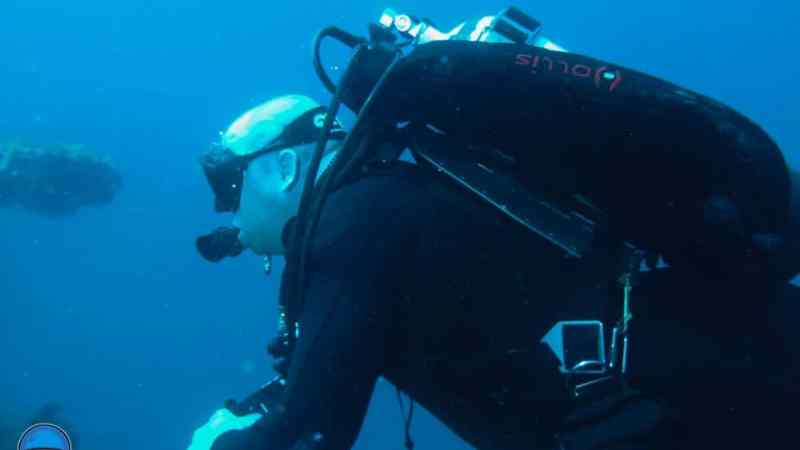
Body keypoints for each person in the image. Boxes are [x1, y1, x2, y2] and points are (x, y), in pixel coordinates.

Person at [190, 8, 800, 450]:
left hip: (718, 393)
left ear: (287, 164)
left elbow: (311, 433)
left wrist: (221, 444)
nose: (229, 214)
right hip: (723, 358)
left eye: (230, 188)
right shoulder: (392, 205)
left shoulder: (351, 221)